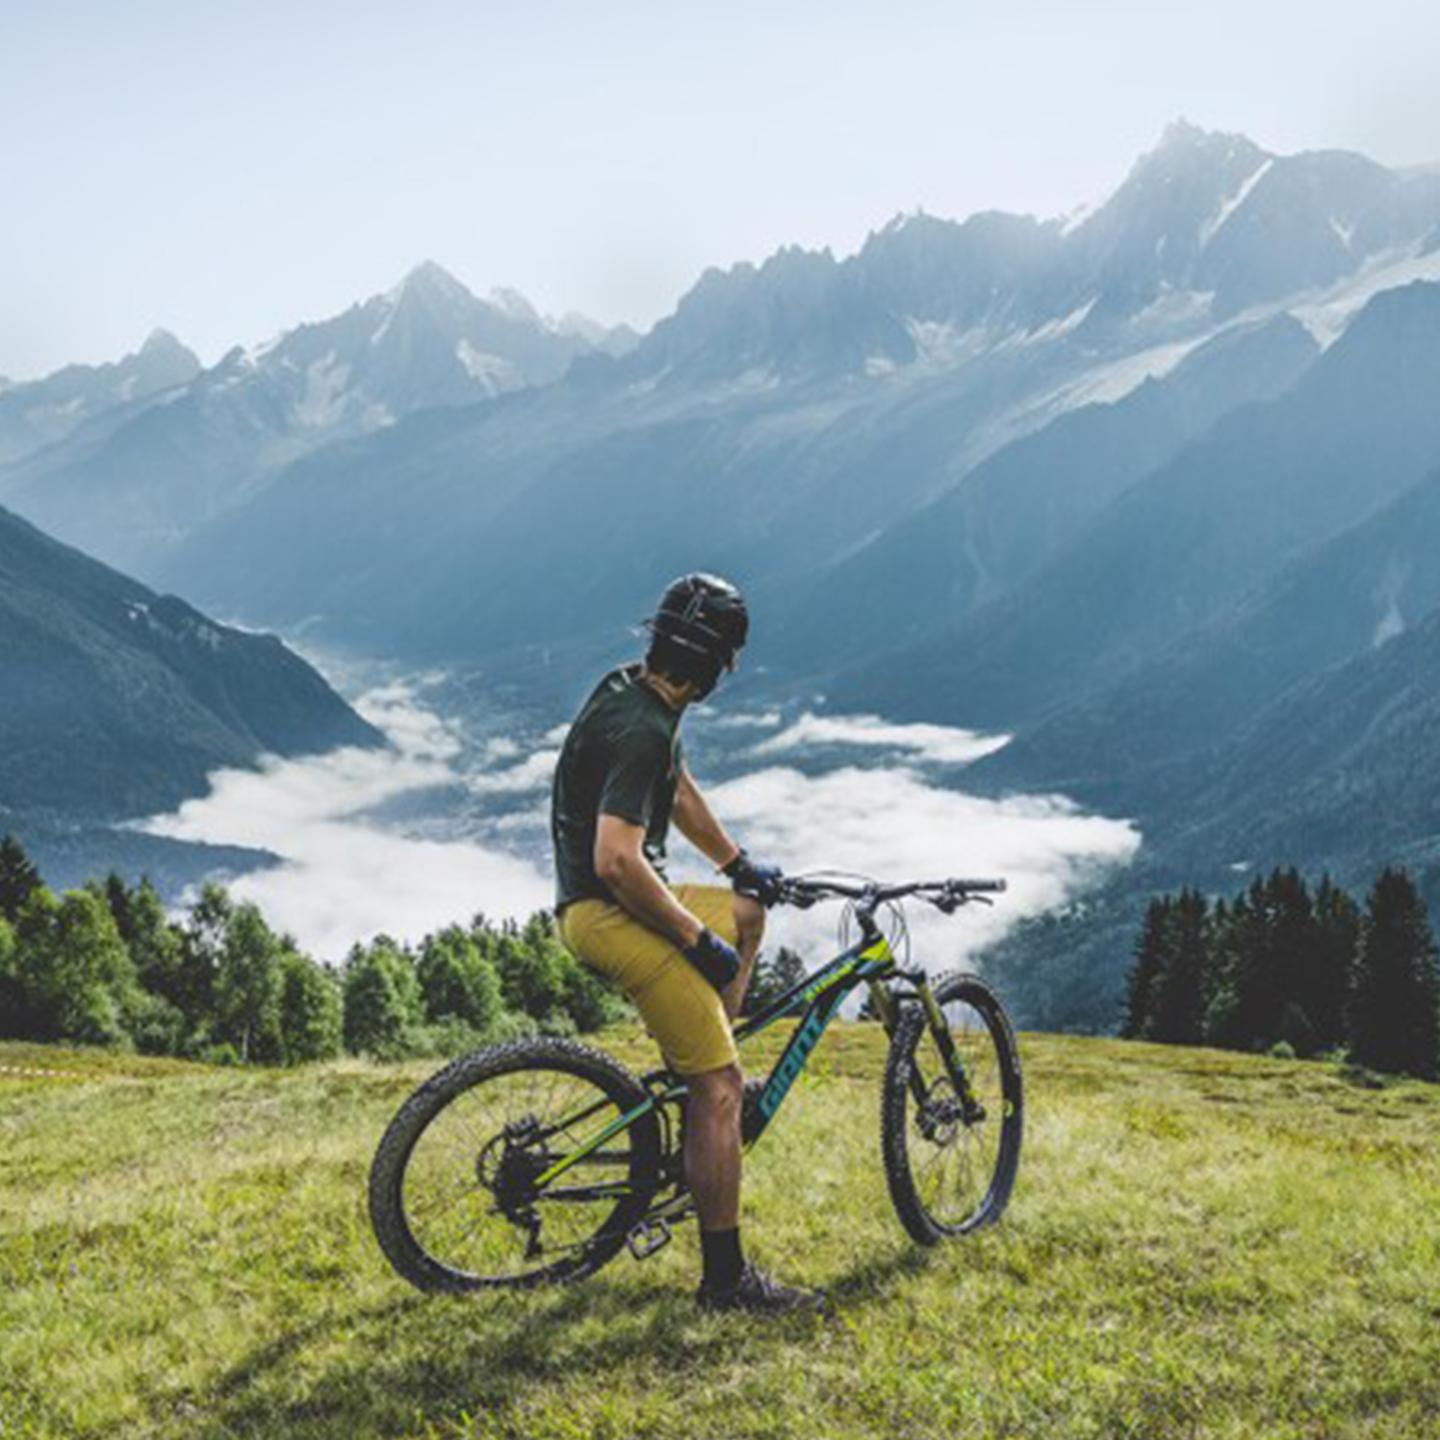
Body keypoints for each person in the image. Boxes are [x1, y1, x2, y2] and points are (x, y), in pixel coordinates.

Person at [550, 573, 824, 1315]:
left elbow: (674, 786)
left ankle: (711, 1076)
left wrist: (736, 866)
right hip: (605, 914)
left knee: (746, 915)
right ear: (714, 668)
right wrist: (694, 939)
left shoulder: (633, 694)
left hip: (607, 901)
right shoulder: (643, 728)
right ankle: (725, 1280)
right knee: (719, 1083)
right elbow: (616, 860)